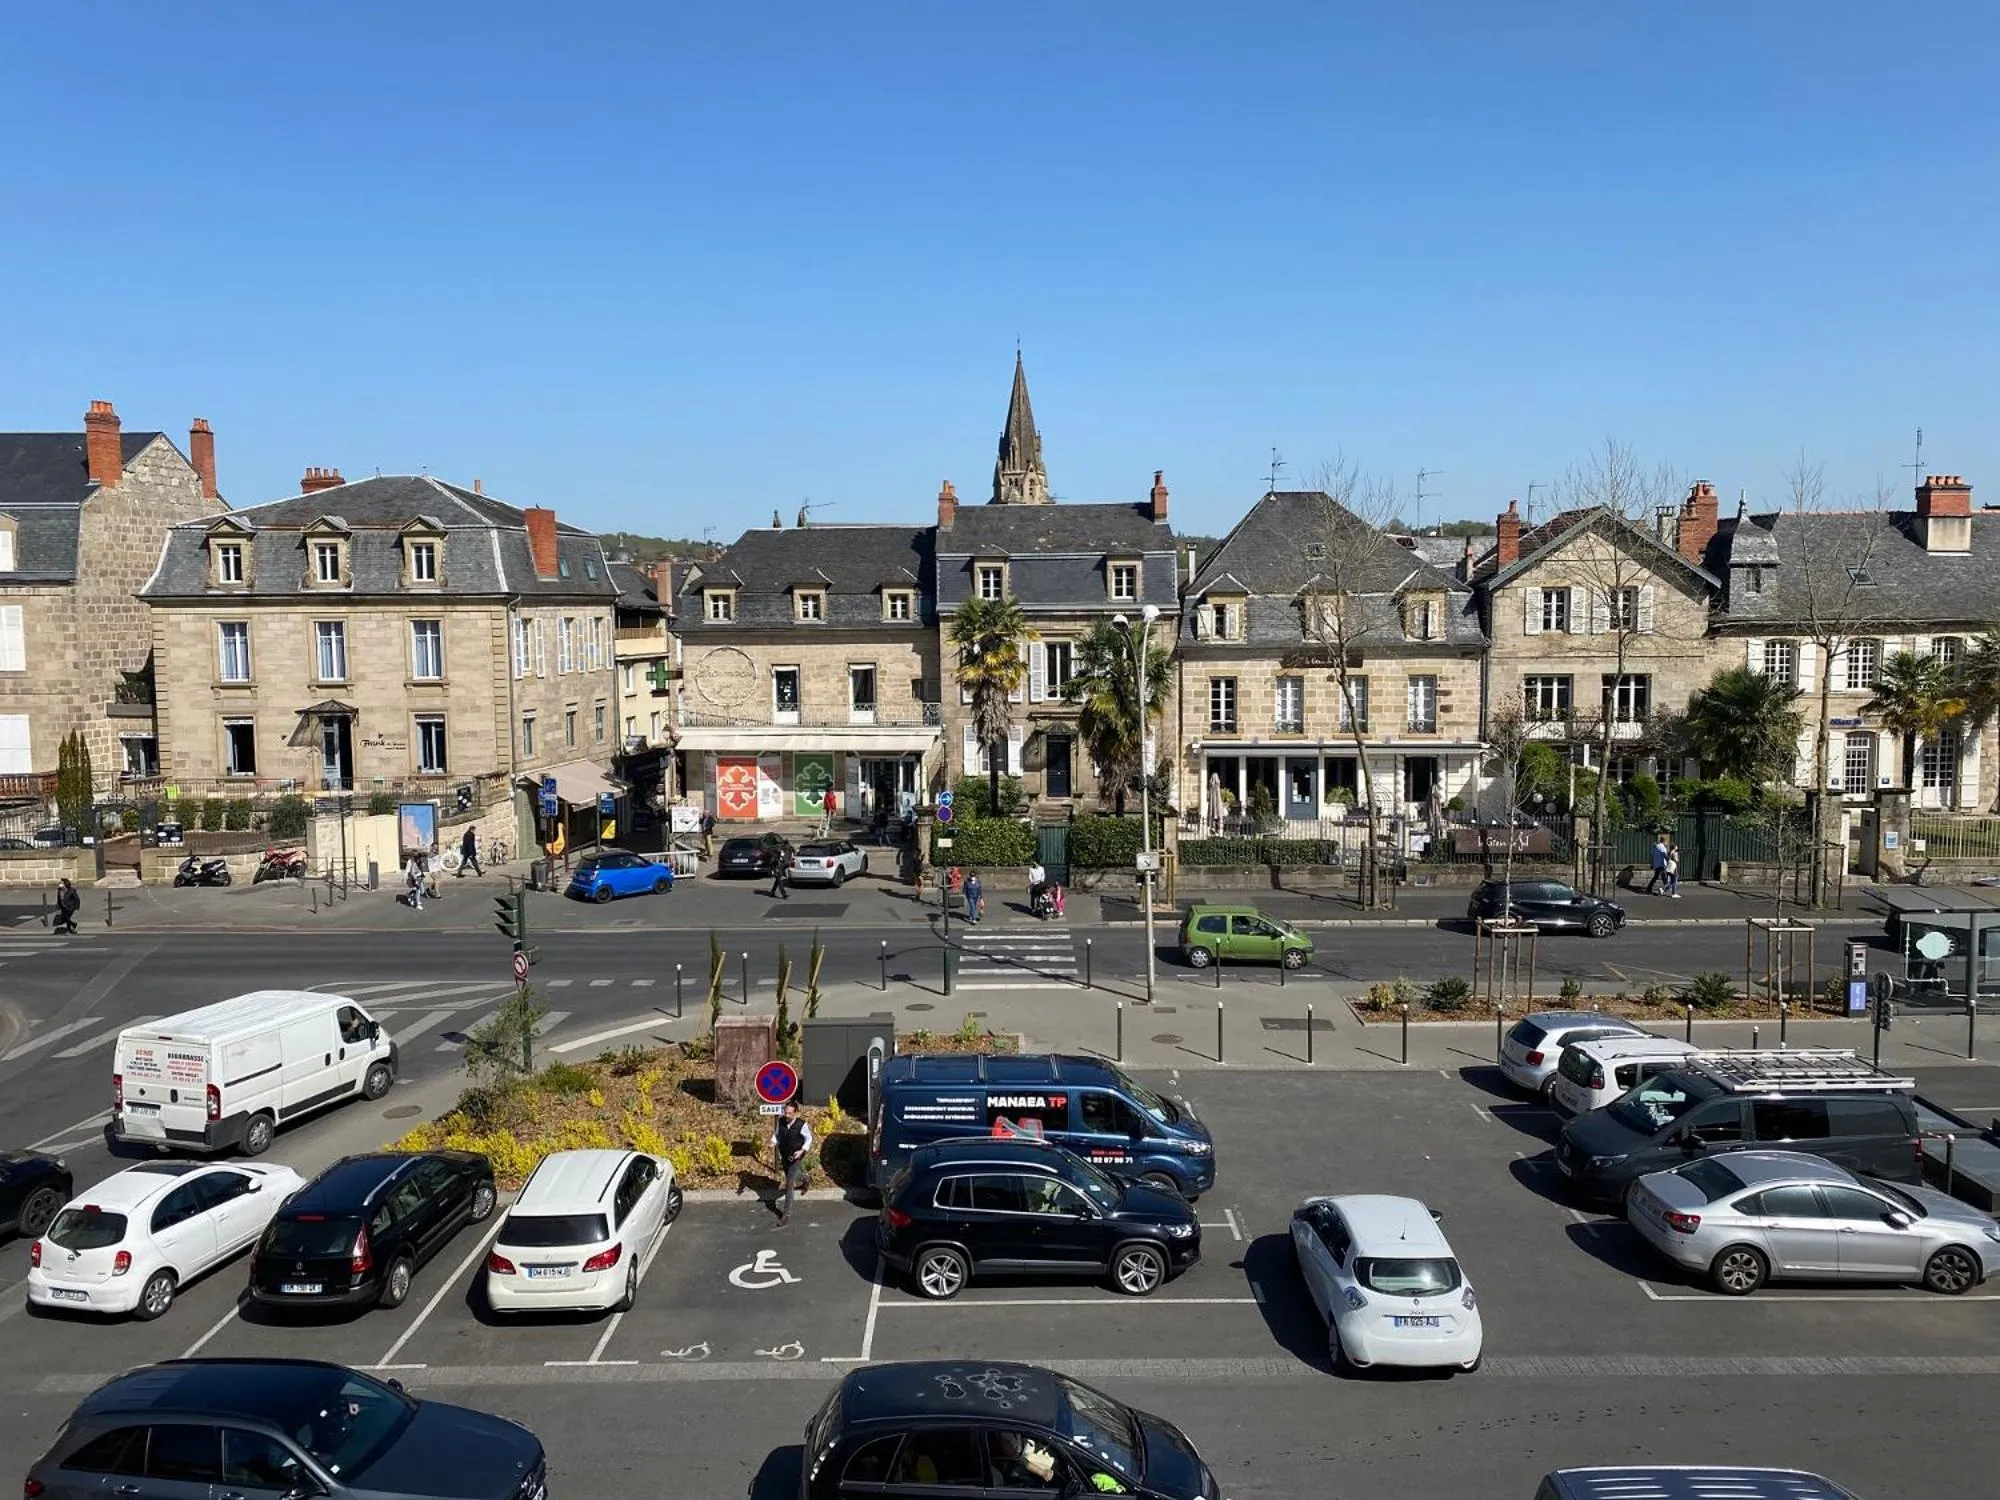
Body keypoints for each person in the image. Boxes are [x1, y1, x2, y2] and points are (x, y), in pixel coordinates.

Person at [769, 1100, 813, 1226]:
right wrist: (773, 1142)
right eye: (785, 1113)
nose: (786, 1116)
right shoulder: (781, 1121)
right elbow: (777, 1135)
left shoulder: (801, 1124)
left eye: (789, 1113)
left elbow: (809, 1139)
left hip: (796, 1156)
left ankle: (786, 1215)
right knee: (792, 1176)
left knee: (789, 1183)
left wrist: (802, 1150)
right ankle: (806, 1178)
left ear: (795, 1113)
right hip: (785, 1155)